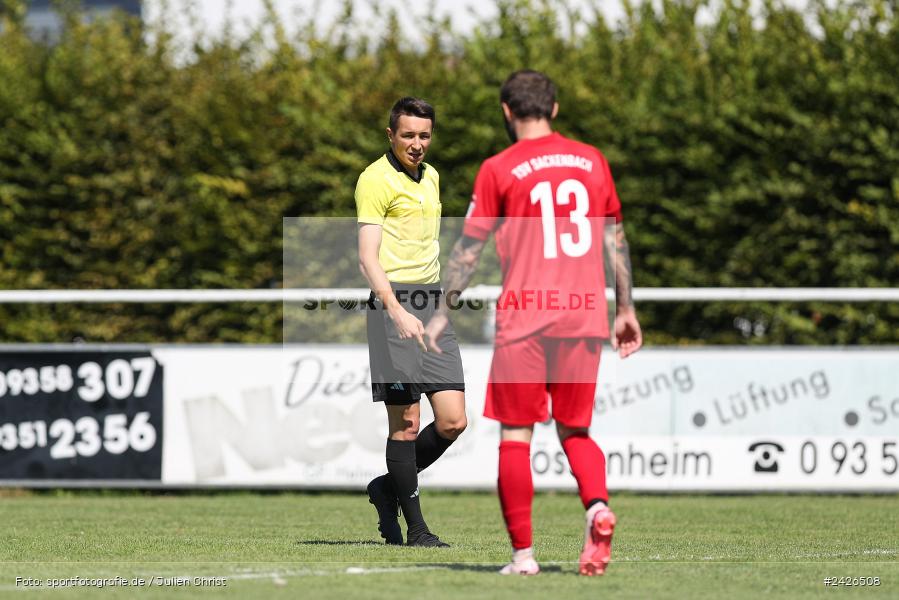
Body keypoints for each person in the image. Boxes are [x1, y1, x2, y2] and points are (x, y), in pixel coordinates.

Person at [424, 70, 642, 574]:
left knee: (516, 436)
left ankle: (523, 558)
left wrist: (440, 314)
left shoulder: (499, 167)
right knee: (576, 431)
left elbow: (467, 251)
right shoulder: (593, 161)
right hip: (585, 317)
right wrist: (626, 309)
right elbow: (616, 241)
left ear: (506, 111)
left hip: (526, 317)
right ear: (555, 109)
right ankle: (597, 507)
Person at [355, 96, 467, 548]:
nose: (417, 144)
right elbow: (367, 258)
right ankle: (415, 527)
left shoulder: (433, 176)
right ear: (390, 135)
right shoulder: (374, 180)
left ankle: (387, 487)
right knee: (405, 423)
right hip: (392, 308)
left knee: (453, 420)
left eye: (424, 135)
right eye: (408, 135)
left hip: (431, 304)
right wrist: (396, 310)